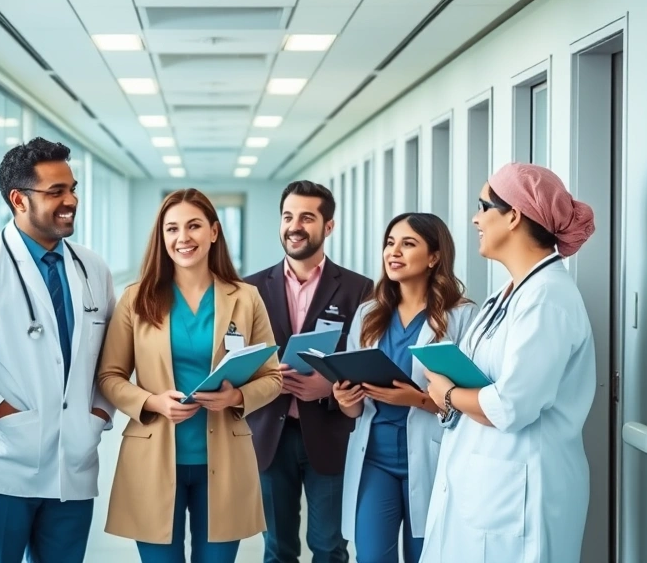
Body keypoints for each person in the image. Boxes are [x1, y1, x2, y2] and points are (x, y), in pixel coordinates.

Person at [0, 138, 116, 563]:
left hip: (72, 462)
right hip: (2, 467)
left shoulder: (92, 267)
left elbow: (113, 353)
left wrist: (99, 414)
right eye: (56, 192)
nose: (71, 200)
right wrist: (0, 414)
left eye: (72, 189)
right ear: (19, 199)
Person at [419, 163, 597, 563]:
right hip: (485, 483)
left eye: (484, 206)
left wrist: (446, 393)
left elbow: (509, 406)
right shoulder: (510, 292)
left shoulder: (548, 297)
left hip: (522, 491)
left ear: (514, 215)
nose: (475, 218)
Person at [97, 188, 283, 563]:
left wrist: (237, 398)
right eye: (172, 229)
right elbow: (109, 376)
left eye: (194, 226)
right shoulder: (137, 299)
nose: (183, 238)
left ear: (214, 232)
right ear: (162, 237)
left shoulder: (245, 298)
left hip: (224, 459)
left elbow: (272, 376)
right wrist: (150, 401)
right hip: (152, 457)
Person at [332, 213, 477, 563]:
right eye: (390, 242)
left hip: (433, 458)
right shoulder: (369, 313)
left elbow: (475, 404)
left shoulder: (462, 317)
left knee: (427, 557)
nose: (393, 252)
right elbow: (356, 408)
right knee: (371, 557)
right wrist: (344, 399)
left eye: (408, 244)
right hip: (375, 460)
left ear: (434, 257)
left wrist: (417, 400)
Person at [244, 180, 373, 563]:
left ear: (328, 226)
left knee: (330, 547)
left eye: (306, 217)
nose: (294, 226)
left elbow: (365, 361)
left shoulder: (358, 289)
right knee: (277, 549)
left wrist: (329, 387)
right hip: (269, 433)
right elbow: (236, 356)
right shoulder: (251, 289)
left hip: (331, 434)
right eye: (287, 217)